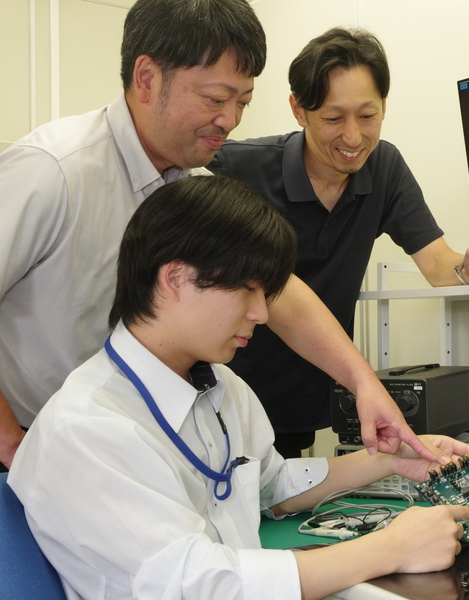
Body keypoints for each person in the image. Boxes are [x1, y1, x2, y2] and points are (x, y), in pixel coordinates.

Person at [0, 1, 433, 471]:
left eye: (242, 102)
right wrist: (10, 445)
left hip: (131, 457)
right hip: (32, 453)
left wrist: (363, 382)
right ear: (147, 78)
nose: (231, 120)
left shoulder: (194, 185)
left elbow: (282, 295)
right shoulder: (54, 172)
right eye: (215, 99)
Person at [8, 175, 469, 600]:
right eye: (247, 289)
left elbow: (269, 485)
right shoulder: (86, 429)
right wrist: (389, 548)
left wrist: (391, 460)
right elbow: (199, 585)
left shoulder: (221, 386)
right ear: (175, 278)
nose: (263, 313)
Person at [208, 27, 469, 458]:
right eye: (333, 119)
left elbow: (438, 263)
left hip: (304, 402)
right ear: (299, 110)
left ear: (384, 106)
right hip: (223, 401)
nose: (353, 138)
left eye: (367, 116)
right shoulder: (235, 169)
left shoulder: (384, 167)